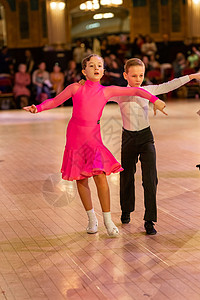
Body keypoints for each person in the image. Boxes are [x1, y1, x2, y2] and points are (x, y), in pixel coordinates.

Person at [23, 54, 166, 237]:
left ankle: (107, 221)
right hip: (75, 136)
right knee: (81, 179)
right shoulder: (75, 87)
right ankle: (92, 219)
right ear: (84, 71)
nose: (96, 68)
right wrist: (39, 108)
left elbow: (137, 91)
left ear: (103, 71)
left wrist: (156, 101)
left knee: (100, 177)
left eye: (100, 65)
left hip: (94, 138)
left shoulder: (107, 91)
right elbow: (55, 101)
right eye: (92, 65)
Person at [111, 58, 200, 235]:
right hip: (128, 138)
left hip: (146, 138)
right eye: (134, 75)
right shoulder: (119, 93)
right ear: (125, 75)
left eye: (141, 75)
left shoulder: (148, 90)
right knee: (126, 176)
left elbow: (170, 85)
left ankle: (149, 220)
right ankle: (126, 211)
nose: (138, 79)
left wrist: (192, 76)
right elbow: (97, 93)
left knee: (150, 179)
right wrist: (84, 83)